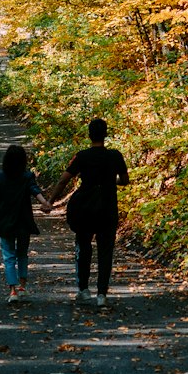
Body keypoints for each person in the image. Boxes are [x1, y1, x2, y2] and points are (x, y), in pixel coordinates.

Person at [44, 117, 129, 308]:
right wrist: (109, 182)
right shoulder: (115, 156)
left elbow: (63, 180)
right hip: (108, 208)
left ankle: (83, 290)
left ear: (89, 135)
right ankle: (102, 294)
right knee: (106, 251)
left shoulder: (82, 156)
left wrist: (50, 201)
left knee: (83, 246)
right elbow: (125, 180)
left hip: (85, 209)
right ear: (106, 134)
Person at [0, 144, 49, 303]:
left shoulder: (0, 176)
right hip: (23, 223)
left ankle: (13, 291)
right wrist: (45, 203)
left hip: (6, 222)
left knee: (8, 256)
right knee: (22, 254)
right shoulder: (27, 176)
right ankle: (23, 287)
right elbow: (35, 190)